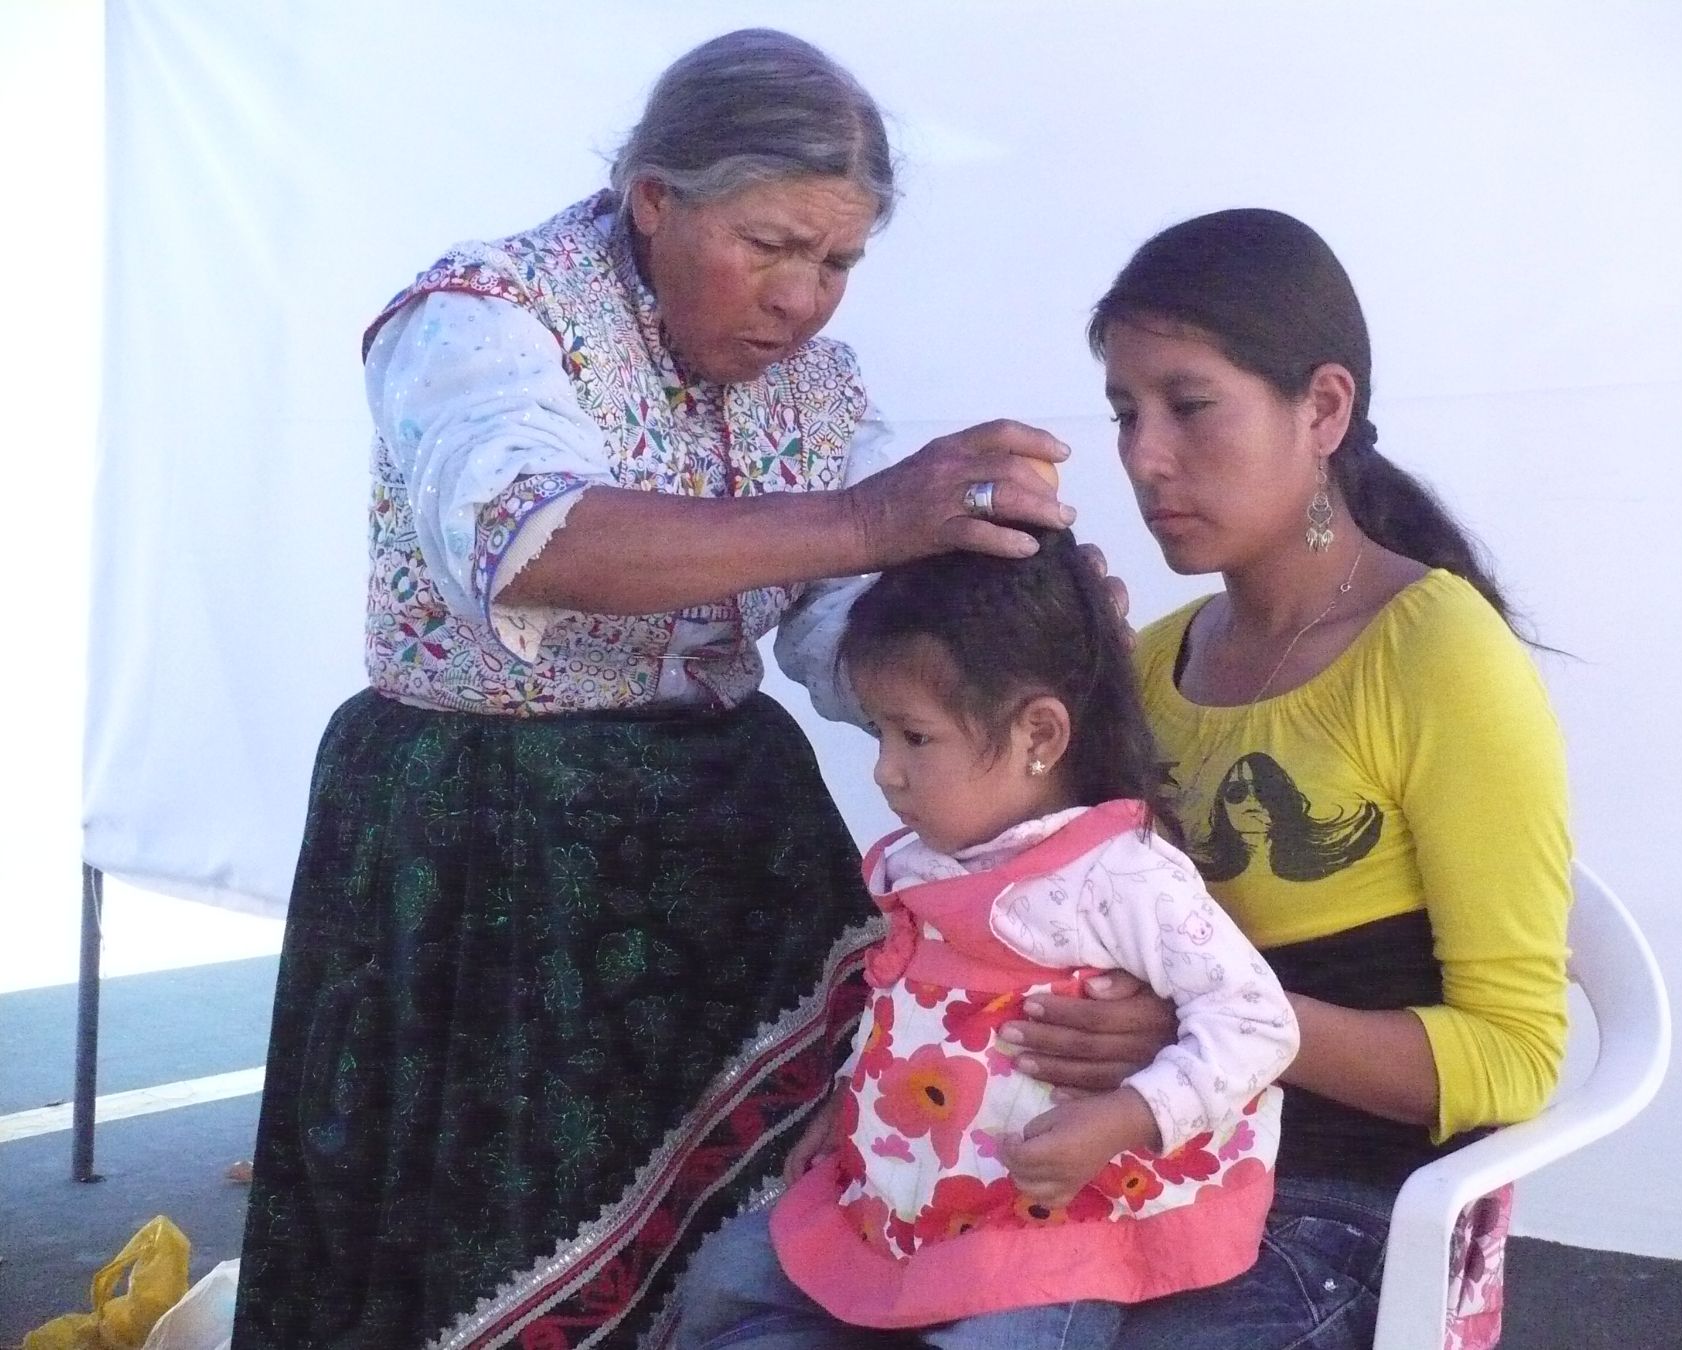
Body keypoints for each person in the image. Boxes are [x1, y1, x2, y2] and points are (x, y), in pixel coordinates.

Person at [232, 30, 1082, 1350]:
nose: (803, 299)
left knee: (754, 1231)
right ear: (654, 199)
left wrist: (1017, 634)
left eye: (838, 261)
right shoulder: (482, 316)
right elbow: (534, 537)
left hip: (715, 830)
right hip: (481, 839)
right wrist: (869, 518)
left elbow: (839, 625)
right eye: (771, 244)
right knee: (478, 1227)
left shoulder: (810, 388)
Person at [1044, 207, 1569, 1350]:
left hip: (1340, 1201)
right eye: (1125, 414)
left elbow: (1516, 1057)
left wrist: (1203, 1023)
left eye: (1189, 407)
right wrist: (1045, 679)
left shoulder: (1435, 653)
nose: (1144, 455)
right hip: (1153, 1160)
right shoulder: (1153, 658)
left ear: (1322, 408)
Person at [677, 530, 1299, 1350]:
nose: (886, 772)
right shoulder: (926, 863)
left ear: (1040, 737)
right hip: (921, 1193)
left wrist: (1126, 1116)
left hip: (1050, 1229)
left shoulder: (1121, 874)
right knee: (730, 1277)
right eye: (880, 736)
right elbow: (908, 1005)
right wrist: (848, 1105)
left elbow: (1257, 1021)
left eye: (915, 737)